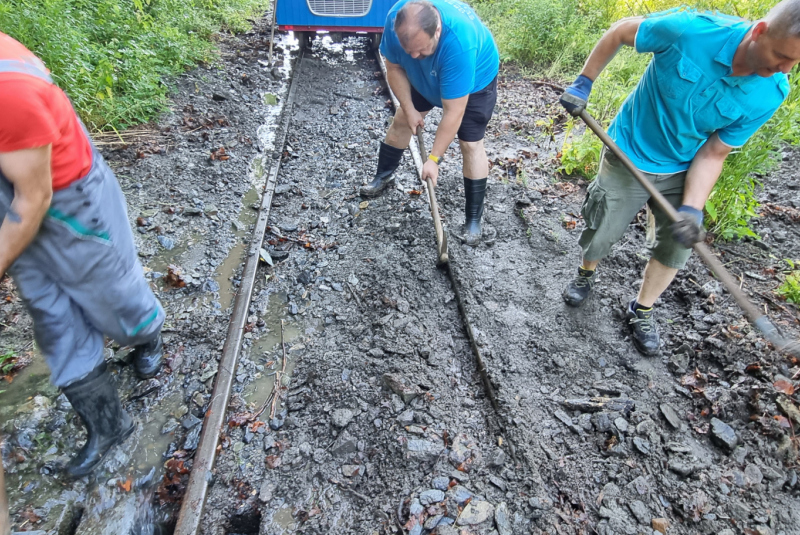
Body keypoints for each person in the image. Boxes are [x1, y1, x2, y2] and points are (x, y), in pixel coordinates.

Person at [559, 1, 800, 355]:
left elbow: (714, 152)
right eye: (782, 56)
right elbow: (620, 31)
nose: (786, 69)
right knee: (602, 226)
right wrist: (583, 83)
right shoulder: (689, 30)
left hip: (685, 164)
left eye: (795, 62)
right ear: (759, 31)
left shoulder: (771, 92)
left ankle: (642, 309)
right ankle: (586, 273)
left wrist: (692, 208)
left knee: (677, 244)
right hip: (630, 149)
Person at [0, 32, 165, 478]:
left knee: (113, 293)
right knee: (52, 316)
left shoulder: (10, 90)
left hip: (68, 195)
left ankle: (147, 334)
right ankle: (109, 426)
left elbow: (32, 198)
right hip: (9, 204)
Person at [362, 0, 500, 245]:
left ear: (436, 31)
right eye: (409, 51)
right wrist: (410, 108)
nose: (414, 56)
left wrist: (434, 159)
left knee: (470, 144)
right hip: (426, 75)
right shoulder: (397, 20)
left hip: (474, 81)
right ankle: (383, 175)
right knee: (402, 120)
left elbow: (453, 112)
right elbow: (394, 67)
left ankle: (473, 221)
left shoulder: (459, 43)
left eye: (421, 50)